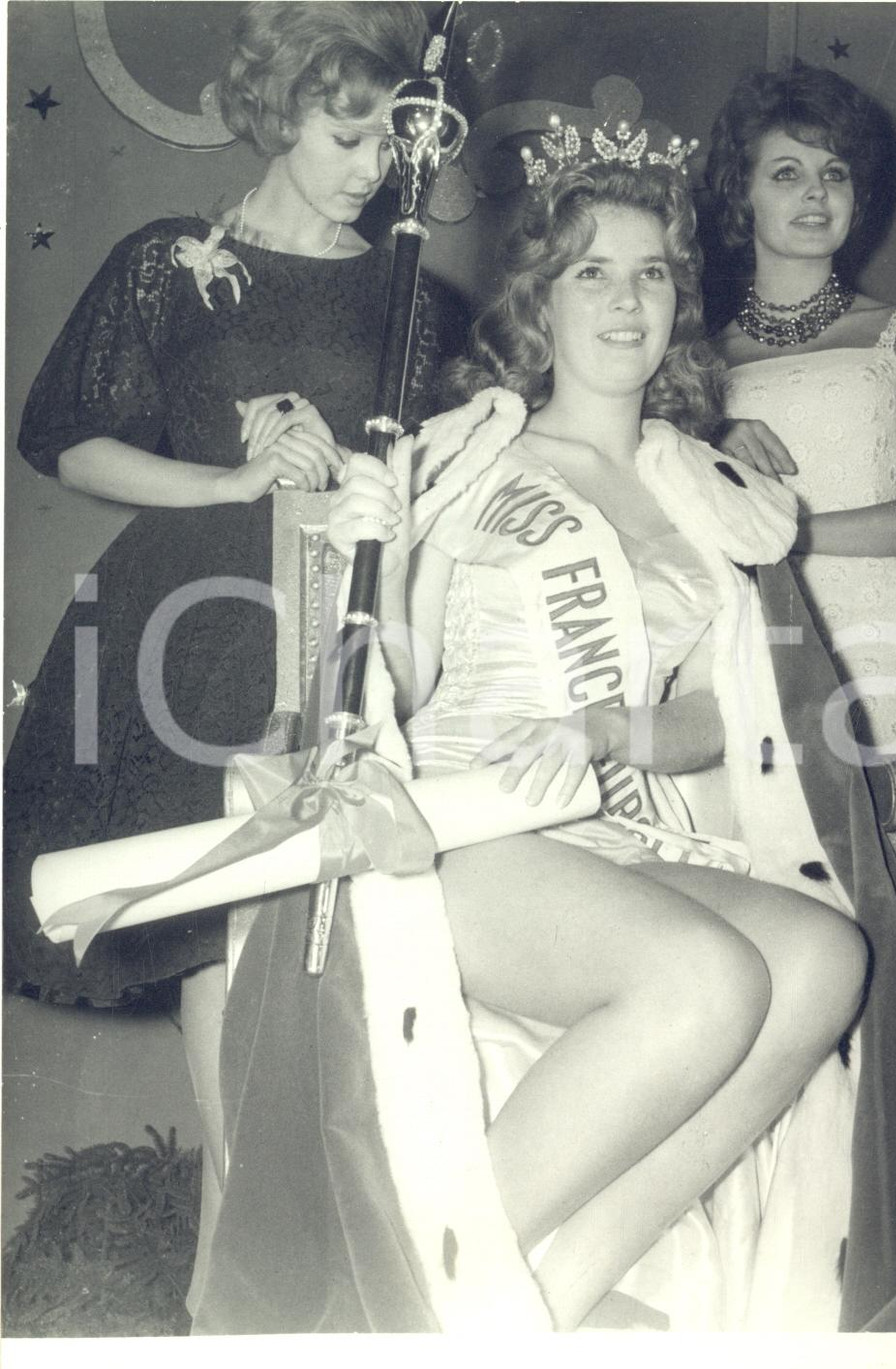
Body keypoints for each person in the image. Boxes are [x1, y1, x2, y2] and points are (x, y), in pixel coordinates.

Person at [194, 132, 896, 1334]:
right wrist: (388, 543)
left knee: (825, 963)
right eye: (590, 273)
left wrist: (614, 730)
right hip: (463, 821)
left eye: (651, 273)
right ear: (541, 297)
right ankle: (427, 1291)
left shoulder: (705, 489)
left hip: (616, 829)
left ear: (680, 300)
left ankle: (549, 1293)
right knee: (704, 980)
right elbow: (392, 674)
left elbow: (725, 722)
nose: (626, 300)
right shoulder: (471, 453)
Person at [3, 0, 466, 1311]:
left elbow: (425, 482)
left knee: (300, 979)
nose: (372, 165)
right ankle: (230, 1285)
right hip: (178, 640)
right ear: (277, 110)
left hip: (334, 634)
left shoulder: (405, 290)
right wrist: (232, 477)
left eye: (393, 143)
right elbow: (68, 437)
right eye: (344, 130)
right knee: (226, 977)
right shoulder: (170, 260)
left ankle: (252, 1284)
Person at [706, 63, 896, 766]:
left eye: (835, 173)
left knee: (873, 850)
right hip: (745, 621)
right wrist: (708, 441)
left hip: (874, 624)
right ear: (744, 193)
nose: (816, 193)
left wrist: (790, 536)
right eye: (787, 173)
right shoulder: (698, 358)